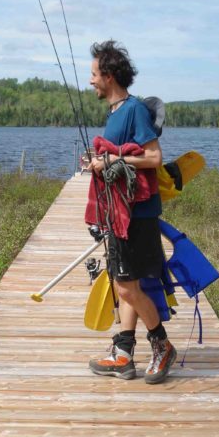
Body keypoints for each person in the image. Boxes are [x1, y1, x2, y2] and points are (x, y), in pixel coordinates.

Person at [85, 40, 176, 384]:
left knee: (125, 288)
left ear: (109, 75)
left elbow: (153, 158)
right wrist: (100, 163)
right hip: (121, 212)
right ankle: (123, 354)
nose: (91, 81)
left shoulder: (133, 109)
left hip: (135, 215)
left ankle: (162, 344)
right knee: (127, 284)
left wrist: (113, 159)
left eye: (94, 74)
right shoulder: (115, 113)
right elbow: (120, 157)